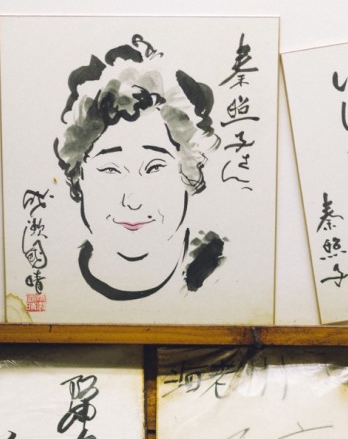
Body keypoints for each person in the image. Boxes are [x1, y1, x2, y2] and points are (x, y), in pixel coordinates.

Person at [53, 44, 226, 301]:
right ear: (78, 176)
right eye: (110, 169)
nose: (132, 200)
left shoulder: (221, 272)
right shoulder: (54, 273)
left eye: (155, 167)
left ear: (189, 171)